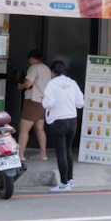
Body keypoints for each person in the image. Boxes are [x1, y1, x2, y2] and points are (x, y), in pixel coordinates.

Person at [41, 60, 84, 192]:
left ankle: (64, 183)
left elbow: (48, 103)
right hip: (72, 121)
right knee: (68, 151)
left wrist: (44, 102)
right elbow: (80, 103)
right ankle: (70, 180)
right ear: (64, 71)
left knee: (61, 152)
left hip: (58, 121)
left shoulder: (51, 84)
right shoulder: (72, 83)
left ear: (53, 72)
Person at [16, 49, 51, 160]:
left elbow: (28, 84)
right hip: (43, 102)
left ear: (32, 58)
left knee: (24, 129)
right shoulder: (47, 69)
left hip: (33, 101)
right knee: (40, 128)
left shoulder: (34, 68)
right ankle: (43, 154)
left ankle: (20, 155)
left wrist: (21, 86)